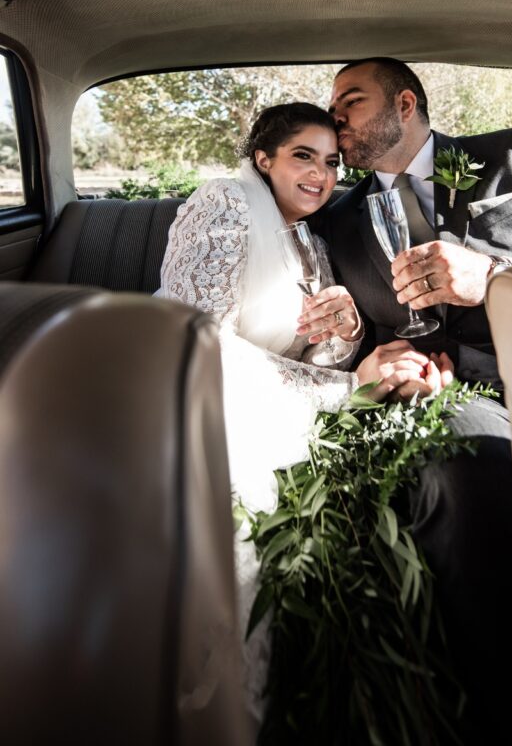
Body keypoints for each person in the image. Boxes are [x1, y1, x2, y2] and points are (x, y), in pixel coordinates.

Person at [301, 58, 512, 745]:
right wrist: (372, 358)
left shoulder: (507, 157)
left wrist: (496, 276)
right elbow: (349, 334)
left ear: (405, 103)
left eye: (350, 100)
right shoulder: (333, 218)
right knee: (460, 470)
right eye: (332, 107)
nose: (336, 118)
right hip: (436, 402)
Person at [157, 100, 453, 724]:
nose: (321, 174)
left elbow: (319, 348)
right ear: (263, 159)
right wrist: (346, 392)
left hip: (265, 394)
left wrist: (345, 334)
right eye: (302, 156)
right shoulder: (223, 204)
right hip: (182, 387)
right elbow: (199, 337)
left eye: (331, 161)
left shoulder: (314, 244)